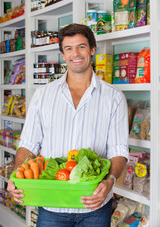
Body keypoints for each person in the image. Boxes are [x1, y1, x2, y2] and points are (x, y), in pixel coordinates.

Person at [7, 23, 129, 227]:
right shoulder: (42, 95)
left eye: (81, 46)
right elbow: (28, 145)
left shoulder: (114, 98)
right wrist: (17, 176)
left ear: (92, 49)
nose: (76, 54)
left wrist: (110, 182)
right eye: (69, 48)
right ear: (63, 55)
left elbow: (118, 150)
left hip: (94, 205)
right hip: (52, 205)